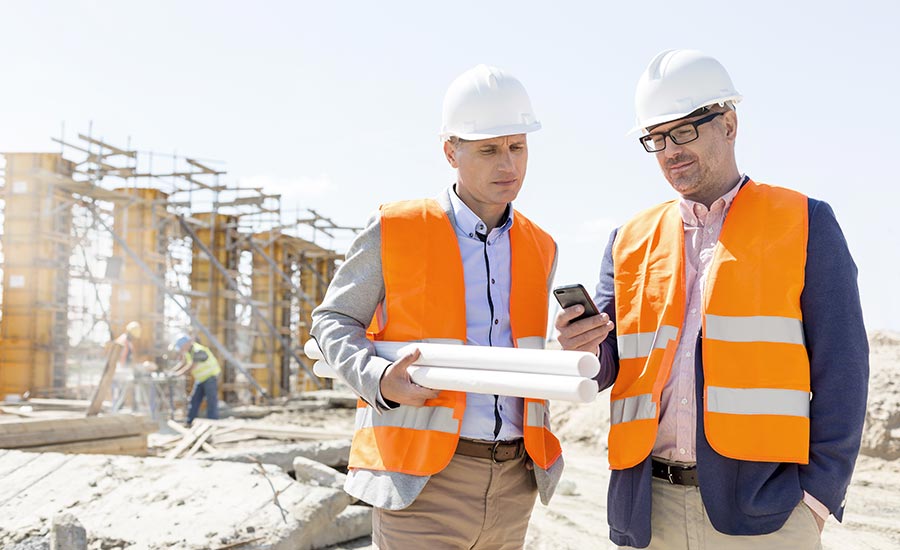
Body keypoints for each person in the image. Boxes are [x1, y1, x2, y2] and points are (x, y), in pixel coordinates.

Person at [556, 49, 869, 549]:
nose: (670, 151)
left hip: (768, 513)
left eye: (683, 132)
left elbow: (845, 369)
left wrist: (817, 498)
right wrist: (585, 347)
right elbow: (609, 367)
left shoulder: (806, 222)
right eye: (656, 139)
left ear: (728, 123)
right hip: (647, 506)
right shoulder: (627, 238)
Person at [311, 64, 564, 549]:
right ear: (451, 151)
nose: (507, 165)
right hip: (422, 482)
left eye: (517, 147)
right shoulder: (397, 228)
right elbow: (333, 320)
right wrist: (379, 379)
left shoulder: (541, 246)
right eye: (489, 150)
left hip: (515, 481)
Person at [170, 333, 221, 426]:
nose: (181, 350)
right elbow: (183, 363)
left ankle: (213, 423)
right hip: (201, 379)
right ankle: (189, 422)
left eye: (181, 347)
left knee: (211, 401)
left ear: (186, 344)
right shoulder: (189, 352)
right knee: (194, 400)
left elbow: (191, 366)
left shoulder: (198, 350)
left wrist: (177, 374)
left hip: (210, 377)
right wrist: (172, 371)